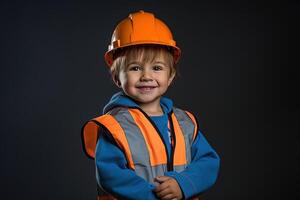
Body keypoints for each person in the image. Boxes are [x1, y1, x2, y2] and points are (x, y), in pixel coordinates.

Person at [82, 10, 220, 200]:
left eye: (156, 68)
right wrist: (155, 196)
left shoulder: (184, 122)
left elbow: (208, 162)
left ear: (170, 76)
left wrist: (183, 184)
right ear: (117, 77)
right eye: (135, 68)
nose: (146, 76)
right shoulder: (114, 127)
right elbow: (110, 176)